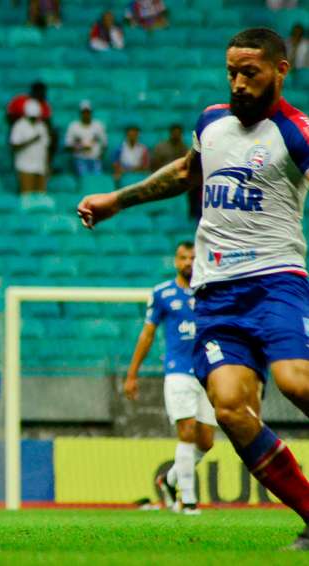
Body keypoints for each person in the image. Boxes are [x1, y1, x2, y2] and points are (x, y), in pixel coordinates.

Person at [77, 28, 309, 550]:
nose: (239, 83)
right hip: (216, 292)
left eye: (250, 72)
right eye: (232, 72)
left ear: (280, 69)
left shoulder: (297, 134)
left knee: (296, 382)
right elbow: (186, 173)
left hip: (276, 281)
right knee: (228, 407)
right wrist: (117, 199)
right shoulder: (212, 122)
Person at [125, 242, 215, 514]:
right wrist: (132, 374)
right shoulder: (162, 293)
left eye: (192, 257)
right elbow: (148, 334)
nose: (188, 262)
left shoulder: (211, 290)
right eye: (183, 257)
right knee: (186, 433)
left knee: (206, 442)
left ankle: (168, 480)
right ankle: (187, 502)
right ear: (175, 261)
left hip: (208, 371)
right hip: (178, 371)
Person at [10, 99, 50, 195]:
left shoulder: (42, 126)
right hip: (25, 165)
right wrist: (31, 140)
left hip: (40, 165)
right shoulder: (19, 125)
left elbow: (46, 147)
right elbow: (14, 146)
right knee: (27, 195)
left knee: (41, 195)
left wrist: (47, 165)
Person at [65, 100, 107, 176]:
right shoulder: (73, 126)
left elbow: (104, 144)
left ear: (91, 112)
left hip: (95, 159)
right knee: (83, 179)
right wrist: (81, 148)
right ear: (80, 113)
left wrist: (100, 156)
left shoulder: (98, 125)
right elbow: (68, 146)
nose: (86, 114)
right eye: (84, 112)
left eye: (88, 112)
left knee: (96, 180)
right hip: (80, 159)